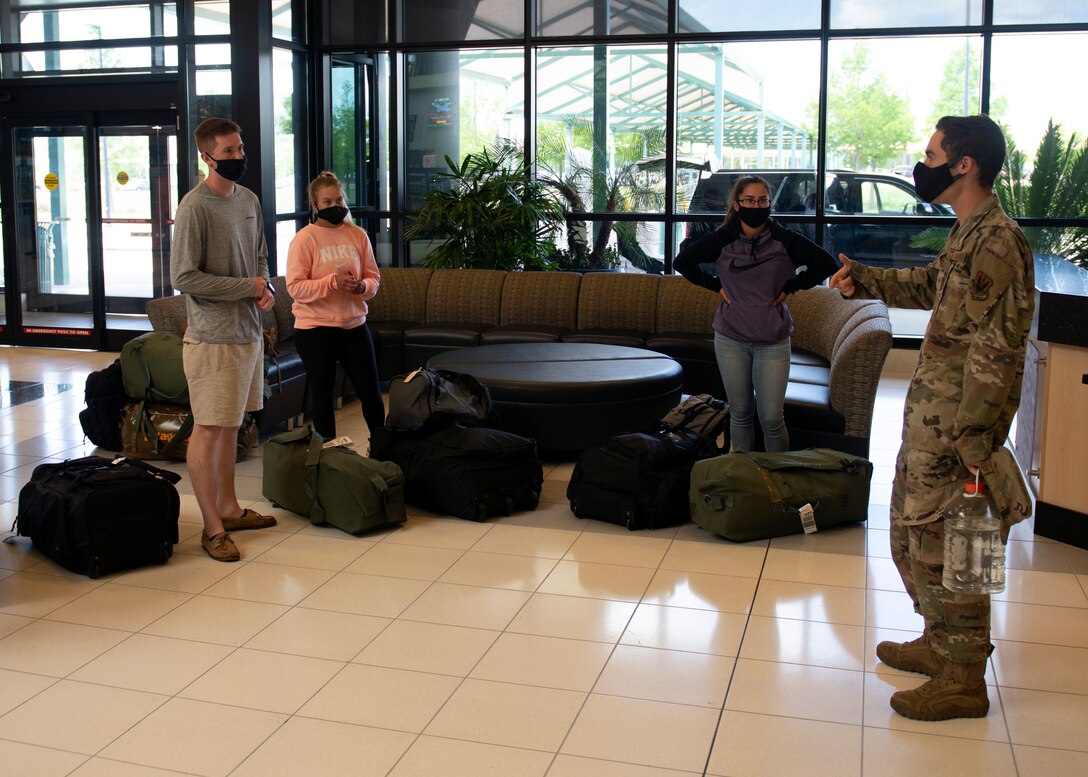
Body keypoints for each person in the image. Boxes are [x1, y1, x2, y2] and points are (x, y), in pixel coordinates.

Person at [830, 114, 1035, 721]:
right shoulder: (966, 234)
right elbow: (932, 288)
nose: (924, 165)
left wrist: (973, 436)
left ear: (963, 164)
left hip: (959, 431)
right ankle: (939, 643)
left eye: (932, 154)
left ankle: (964, 677)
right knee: (915, 539)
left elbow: (998, 349)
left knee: (961, 548)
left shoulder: (998, 241)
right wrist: (864, 279)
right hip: (933, 422)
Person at [170, 117, 278, 563]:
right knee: (209, 429)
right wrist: (247, 288)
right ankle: (212, 527)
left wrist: (266, 288)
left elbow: (260, 256)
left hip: (247, 333)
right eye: (229, 152)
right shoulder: (194, 207)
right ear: (206, 157)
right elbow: (184, 276)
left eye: (240, 148)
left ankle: (231, 509)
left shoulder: (248, 199)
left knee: (232, 427)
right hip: (212, 338)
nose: (238, 157)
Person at [674, 175, 838, 452]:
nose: (757, 205)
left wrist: (791, 286)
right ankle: (745, 479)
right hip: (731, 338)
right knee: (739, 413)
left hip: (772, 340)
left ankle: (778, 481)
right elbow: (683, 261)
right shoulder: (722, 239)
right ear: (737, 204)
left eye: (763, 200)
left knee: (772, 418)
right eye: (750, 200)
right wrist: (716, 286)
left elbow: (826, 263)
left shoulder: (785, 240)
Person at [286, 171, 384, 443]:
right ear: (315, 206)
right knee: (323, 396)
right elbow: (295, 287)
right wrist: (331, 282)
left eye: (338, 200)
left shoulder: (358, 235)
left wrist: (362, 287)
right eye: (327, 202)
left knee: (371, 393)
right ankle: (328, 459)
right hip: (315, 329)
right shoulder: (305, 239)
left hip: (353, 325)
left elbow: (373, 277)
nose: (335, 206)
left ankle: (383, 451)